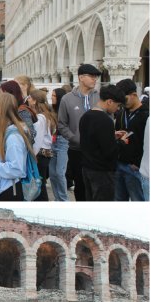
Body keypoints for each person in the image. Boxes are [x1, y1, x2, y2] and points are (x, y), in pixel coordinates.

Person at [58, 64, 102, 201]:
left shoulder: (99, 97)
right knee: (80, 184)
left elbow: (108, 119)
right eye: (92, 76)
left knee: (97, 184)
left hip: (97, 151)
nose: (95, 79)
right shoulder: (67, 99)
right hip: (77, 150)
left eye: (96, 77)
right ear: (81, 77)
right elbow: (61, 124)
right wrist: (74, 138)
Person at [79, 85, 129, 201]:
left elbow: (92, 140)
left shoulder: (86, 116)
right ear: (110, 102)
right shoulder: (105, 120)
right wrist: (121, 142)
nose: (118, 109)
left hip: (87, 168)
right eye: (118, 105)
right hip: (102, 172)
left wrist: (112, 136)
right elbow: (110, 152)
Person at [114, 79, 149, 201]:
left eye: (125, 99)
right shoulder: (121, 113)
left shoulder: (147, 114)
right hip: (119, 164)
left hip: (135, 168)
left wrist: (138, 163)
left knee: (138, 201)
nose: (123, 103)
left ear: (134, 95)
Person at [29, 89, 58, 201]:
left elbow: (38, 139)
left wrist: (33, 155)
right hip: (44, 153)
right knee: (40, 183)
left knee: (39, 184)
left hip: (40, 154)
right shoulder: (46, 115)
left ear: (35, 101)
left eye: (30, 98)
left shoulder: (41, 118)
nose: (28, 99)